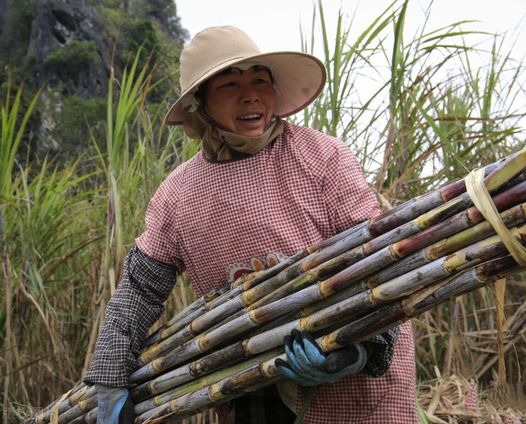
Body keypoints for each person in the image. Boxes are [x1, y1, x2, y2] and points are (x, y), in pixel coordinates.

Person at [84, 26, 418, 423]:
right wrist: (110, 378)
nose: (251, 94)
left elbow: (379, 262)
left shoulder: (322, 157)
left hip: (350, 375)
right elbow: (139, 289)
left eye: (260, 79)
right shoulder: (177, 193)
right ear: (199, 103)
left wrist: (354, 351)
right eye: (229, 84)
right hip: (248, 380)